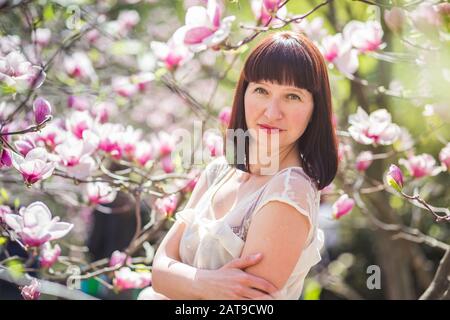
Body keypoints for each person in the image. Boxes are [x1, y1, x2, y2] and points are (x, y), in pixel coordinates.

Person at [138, 31, 338, 300]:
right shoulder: (219, 172)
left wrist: (182, 281)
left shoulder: (289, 191)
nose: (272, 111)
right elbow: (159, 272)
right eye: (261, 90)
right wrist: (206, 285)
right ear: (244, 94)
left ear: (315, 109)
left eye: (292, 96)